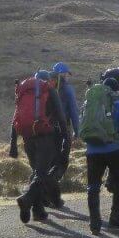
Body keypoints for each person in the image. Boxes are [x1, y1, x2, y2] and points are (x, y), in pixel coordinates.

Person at [9, 69, 68, 224]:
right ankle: (26, 198)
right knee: (41, 174)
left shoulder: (24, 91)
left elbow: (15, 118)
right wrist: (66, 140)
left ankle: (38, 211)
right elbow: (62, 118)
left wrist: (13, 145)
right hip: (45, 138)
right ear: (47, 81)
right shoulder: (49, 90)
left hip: (28, 139)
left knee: (37, 173)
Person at [83, 77, 119, 234]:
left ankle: (95, 223)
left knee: (93, 187)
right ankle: (116, 220)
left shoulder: (88, 102)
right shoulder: (117, 102)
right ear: (116, 89)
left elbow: (82, 123)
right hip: (114, 149)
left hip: (92, 150)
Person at [48, 62, 81, 208]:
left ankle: (45, 192)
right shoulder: (67, 90)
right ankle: (49, 192)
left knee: (50, 161)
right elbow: (74, 110)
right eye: (67, 73)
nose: (68, 76)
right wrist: (77, 130)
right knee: (62, 161)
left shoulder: (46, 87)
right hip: (63, 128)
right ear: (63, 74)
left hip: (46, 129)